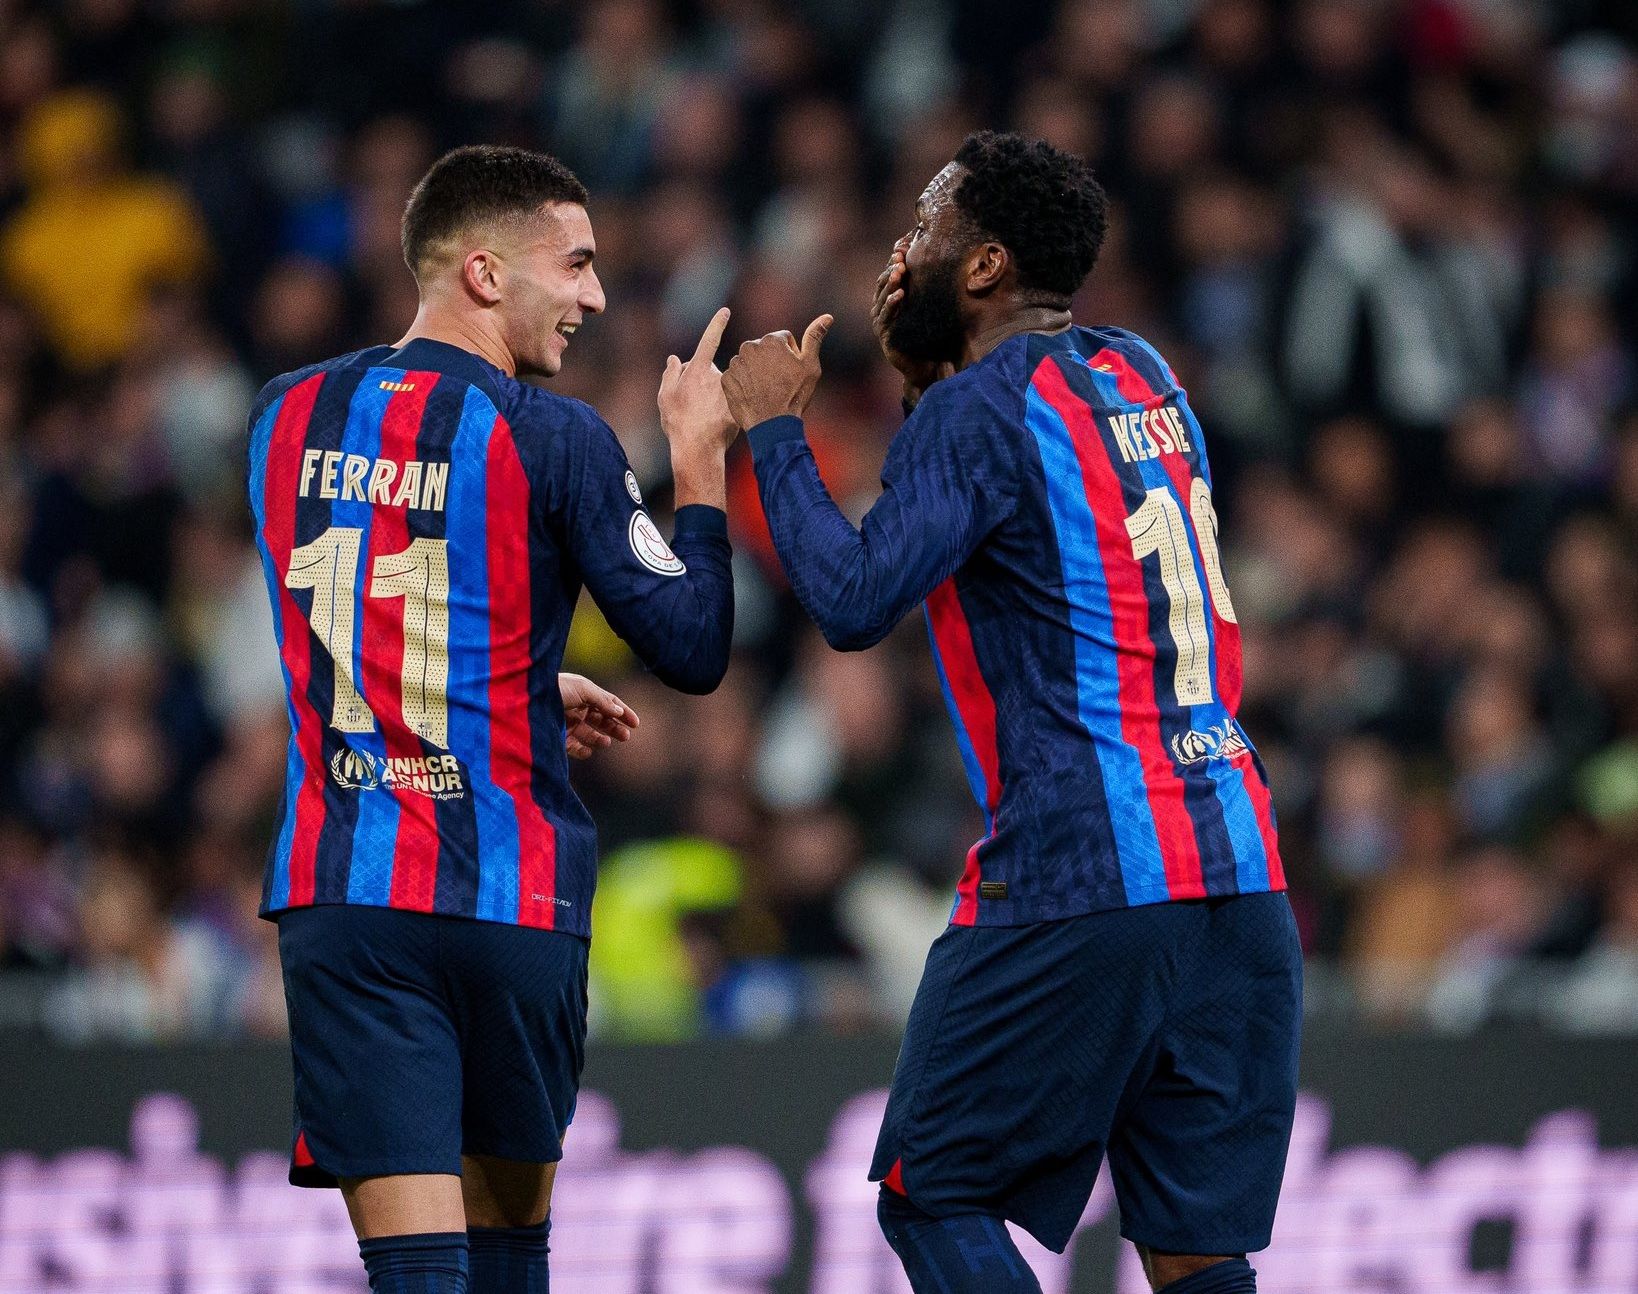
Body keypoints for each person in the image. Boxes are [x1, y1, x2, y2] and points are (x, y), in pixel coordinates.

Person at [721, 132, 1300, 1294]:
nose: (903, 249)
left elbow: (853, 599)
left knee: (933, 1191)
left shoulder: (976, 414)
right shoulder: (1142, 371)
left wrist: (776, 429)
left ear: (984, 264)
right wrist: (929, 379)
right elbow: (1028, 506)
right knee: (1194, 1247)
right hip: (1238, 866)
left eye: (927, 225)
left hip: (1081, 863)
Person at [247, 144, 738, 1294]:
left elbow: (353, 606)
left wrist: (512, 686)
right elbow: (694, 644)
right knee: (509, 1263)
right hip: (509, 902)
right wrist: (701, 460)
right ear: (483, 271)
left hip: (350, 897)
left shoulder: (282, 414)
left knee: (416, 1273)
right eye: (575, 264)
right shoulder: (555, 436)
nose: (595, 296)